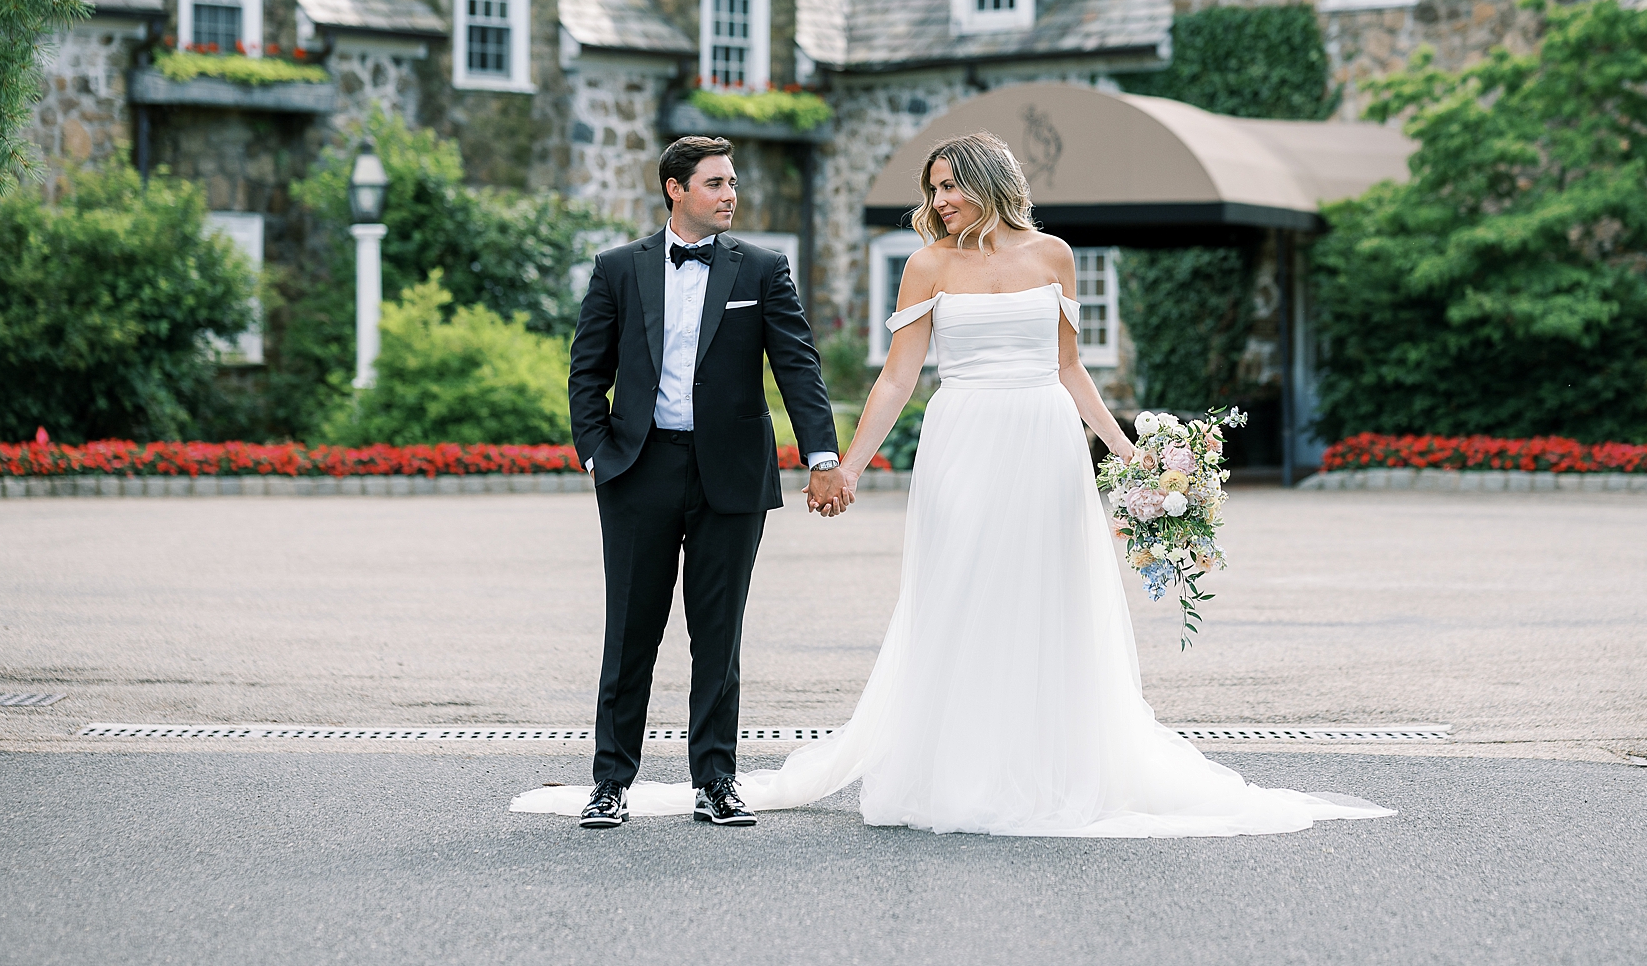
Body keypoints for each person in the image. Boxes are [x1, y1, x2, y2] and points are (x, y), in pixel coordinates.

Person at [528, 131, 1388, 837]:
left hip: (1043, 444)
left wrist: (1129, 456)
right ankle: (619, 779)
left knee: (1040, 603)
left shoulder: (1054, 254)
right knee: (946, 598)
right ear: (676, 188)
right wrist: (849, 464)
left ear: (989, 181)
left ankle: (1019, 764)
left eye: (951, 186)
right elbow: (899, 378)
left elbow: (1070, 369)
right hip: (957, 440)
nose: (940, 201)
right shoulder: (927, 264)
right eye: (933, 188)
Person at [565, 135, 850, 830]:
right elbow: (586, 371)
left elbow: (799, 367)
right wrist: (599, 456)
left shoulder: (761, 268)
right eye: (717, 183)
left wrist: (821, 456)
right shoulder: (617, 269)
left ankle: (716, 779)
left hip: (732, 474)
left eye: (732, 183)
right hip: (639, 469)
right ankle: (610, 782)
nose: (731, 194)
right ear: (675, 188)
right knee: (631, 631)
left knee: (718, 634)